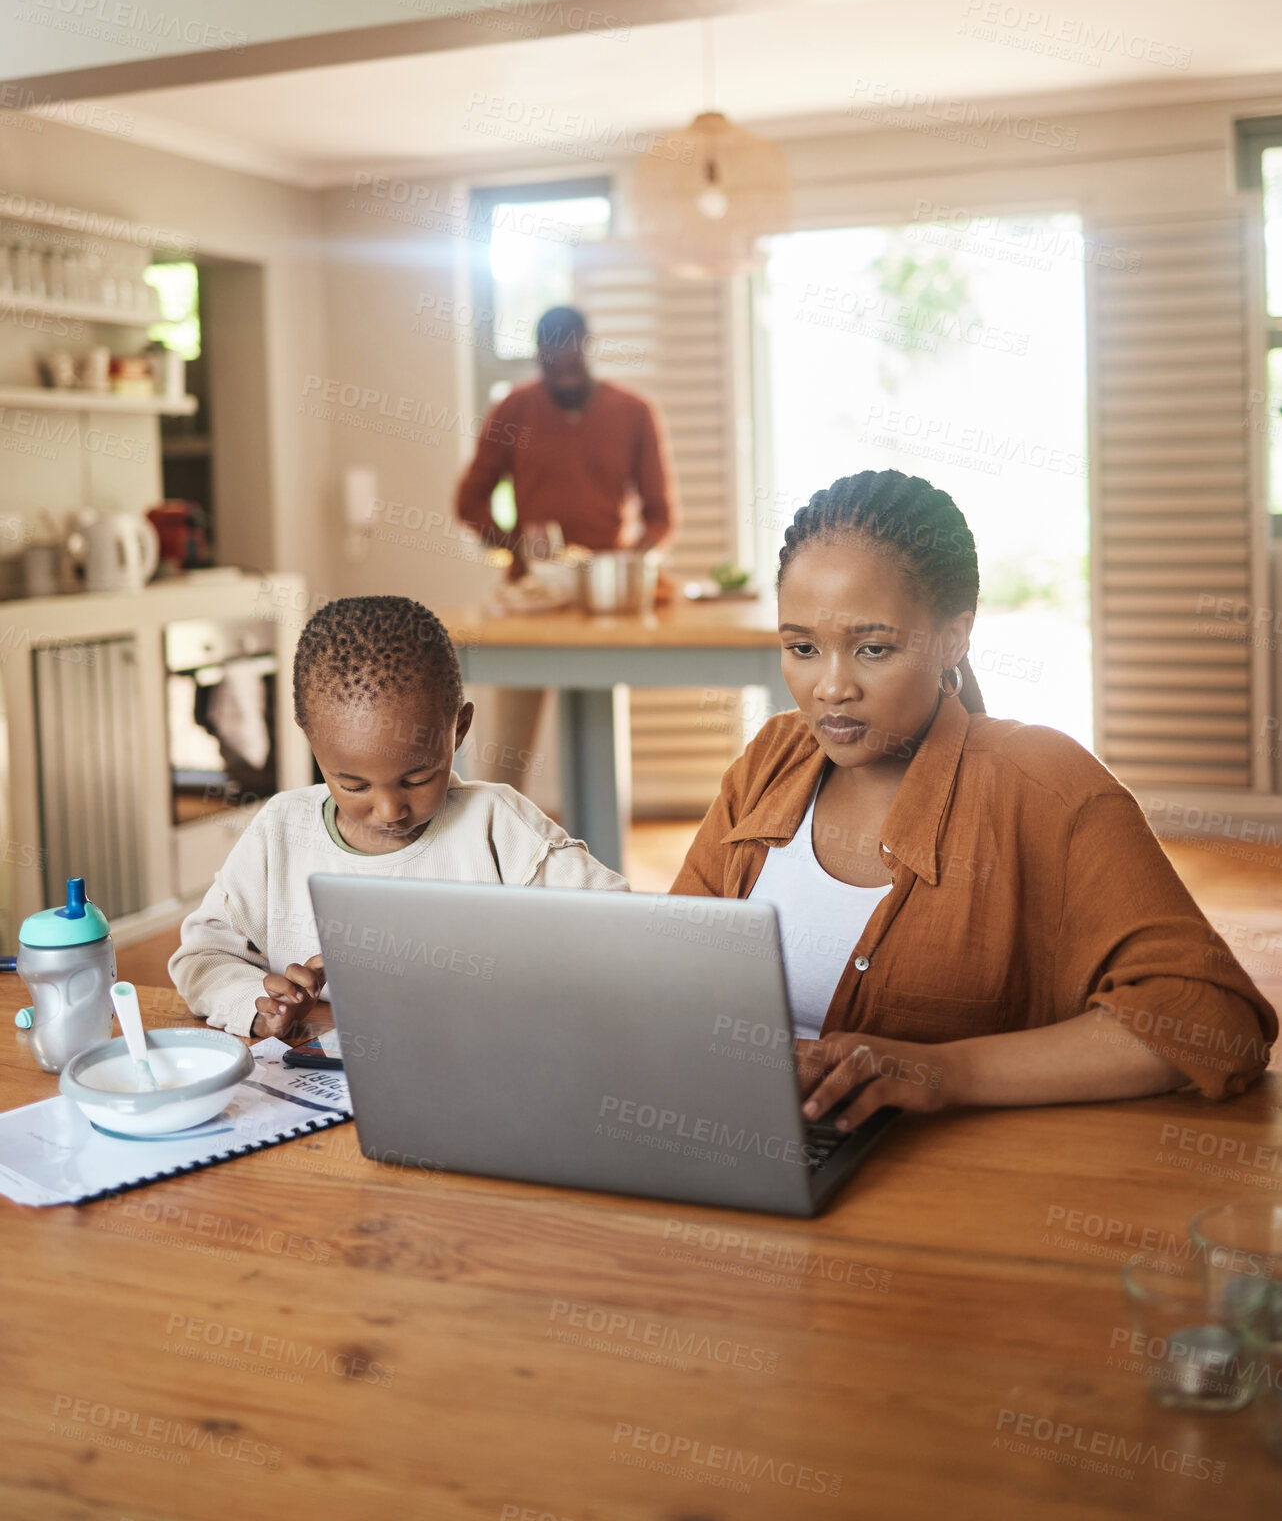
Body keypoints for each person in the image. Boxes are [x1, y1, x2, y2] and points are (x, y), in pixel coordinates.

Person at [671, 469, 1277, 1130]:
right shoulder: (770, 761)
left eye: (873, 648)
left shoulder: (1046, 786)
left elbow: (1213, 1019)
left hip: (952, 1192)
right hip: (737, 1150)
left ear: (954, 639)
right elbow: (668, 969)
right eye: (803, 648)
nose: (831, 687)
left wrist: (947, 1072)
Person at [170, 596, 627, 1039]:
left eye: (417, 778)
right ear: (311, 739)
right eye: (354, 785)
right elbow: (202, 957)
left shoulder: (498, 827)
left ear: (459, 730)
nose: (390, 810)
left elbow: (622, 929)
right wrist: (258, 1005)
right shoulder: (279, 832)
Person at [454, 305, 677, 790]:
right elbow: (469, 501)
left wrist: (631, 560)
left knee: (598, 736)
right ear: (538, 354)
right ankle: (496, 846)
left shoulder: (633, 412)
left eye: (572, 354)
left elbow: (660, 515)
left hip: (603, 599)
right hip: (531, 597)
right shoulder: (514, 410)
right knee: (511, 750)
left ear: (587, 346)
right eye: (552, 358)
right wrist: (515, 544)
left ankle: (594, 847)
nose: (564, 367)